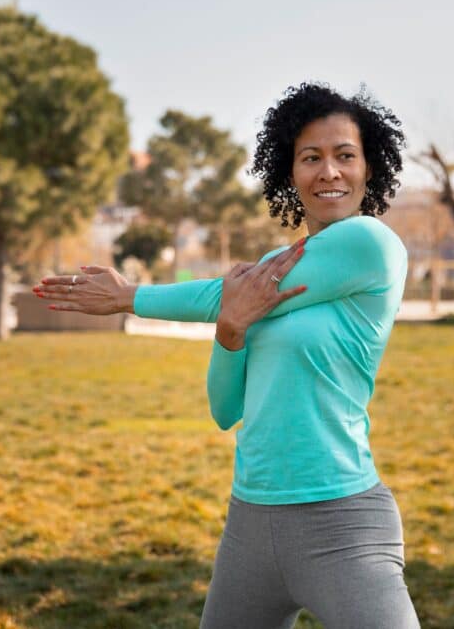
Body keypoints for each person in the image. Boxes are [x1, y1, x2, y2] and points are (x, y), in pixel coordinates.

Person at [33, 83, 420, 628]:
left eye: (344, 156)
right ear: (291, 174)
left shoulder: (372, 247)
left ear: (369, 169)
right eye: (311, 158)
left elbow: (220, 294)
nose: (329, 171)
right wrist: (231, 330)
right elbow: (224, 409)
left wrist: (130, 297)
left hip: (341, 524)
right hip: (250, 525)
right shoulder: (266, 267)